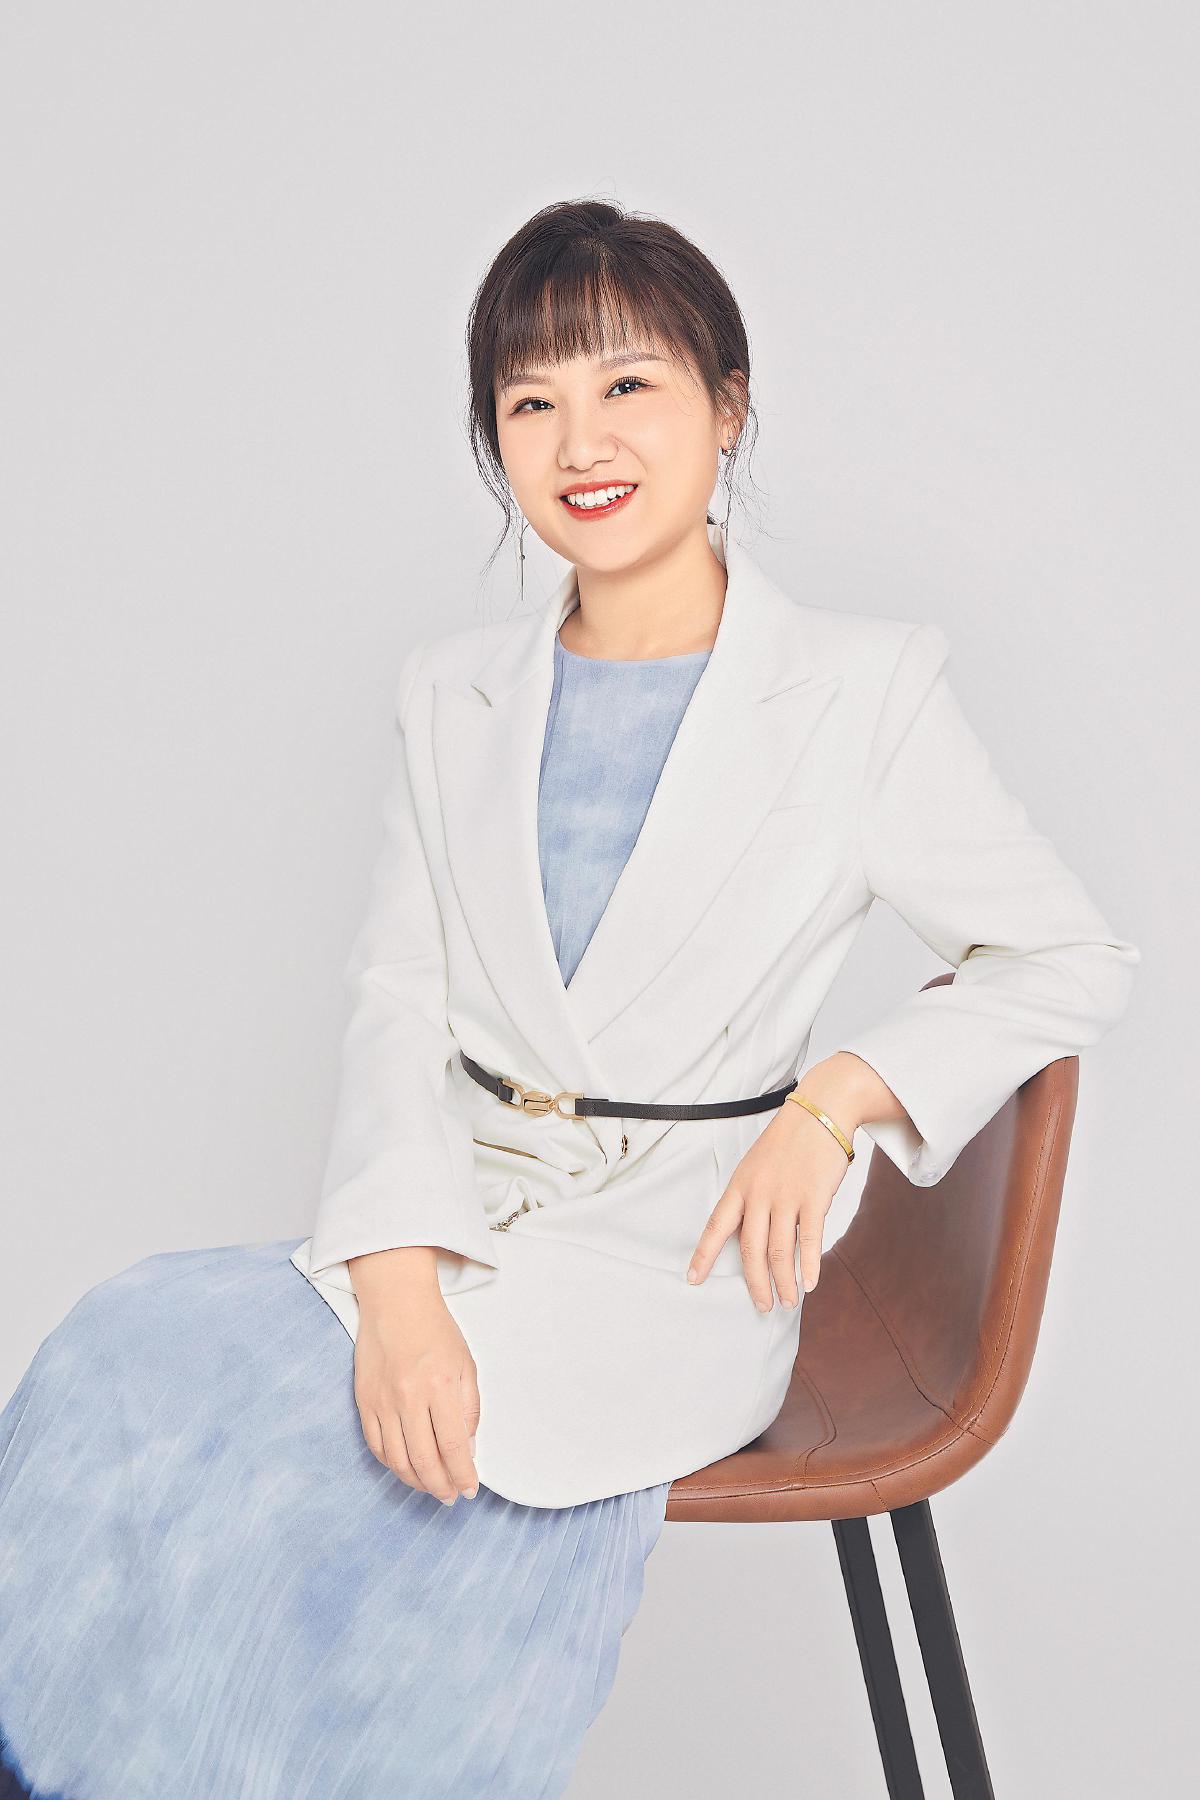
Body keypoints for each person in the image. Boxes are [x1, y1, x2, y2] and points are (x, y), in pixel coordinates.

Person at [0, 198, 1139, 1799]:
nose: (579, 441)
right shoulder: (449, 693)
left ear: (727, 408)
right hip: (463, 1221)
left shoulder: (862, 690)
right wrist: (398, 1281)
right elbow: (398, 1001)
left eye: (627, 386)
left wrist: (836, 1106)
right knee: (127, 1347)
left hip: (683, 1266)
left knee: (292, 1459)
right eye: (530, 401)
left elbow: (1068, 955)